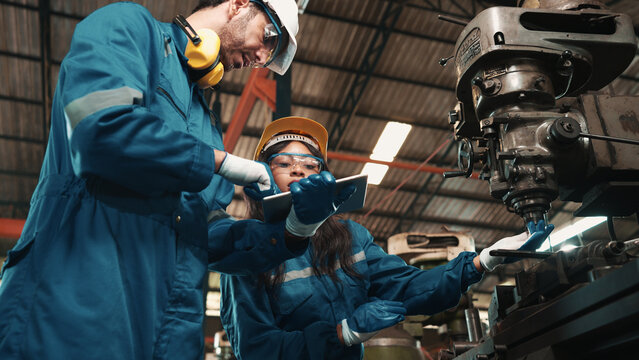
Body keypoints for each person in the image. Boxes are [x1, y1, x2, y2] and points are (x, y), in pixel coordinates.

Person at [0, 1, 339, 359]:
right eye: (268, 36)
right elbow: (100, 130)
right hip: (75, 308)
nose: (260, 56)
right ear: (238, 5)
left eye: (269, 55)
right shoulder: (130, 30)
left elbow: (208, 232)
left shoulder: (207, 125)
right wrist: (217, 161)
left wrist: (293, 231)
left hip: (167, 332)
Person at [219, 116, 555, 359]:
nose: (299, 171)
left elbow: (407, 288)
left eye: (310, 165)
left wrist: (482, 261)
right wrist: (341, 334)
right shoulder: (247, 252)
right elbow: (256, 349)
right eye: (284, 164)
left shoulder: (350, 239)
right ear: (262, 176)